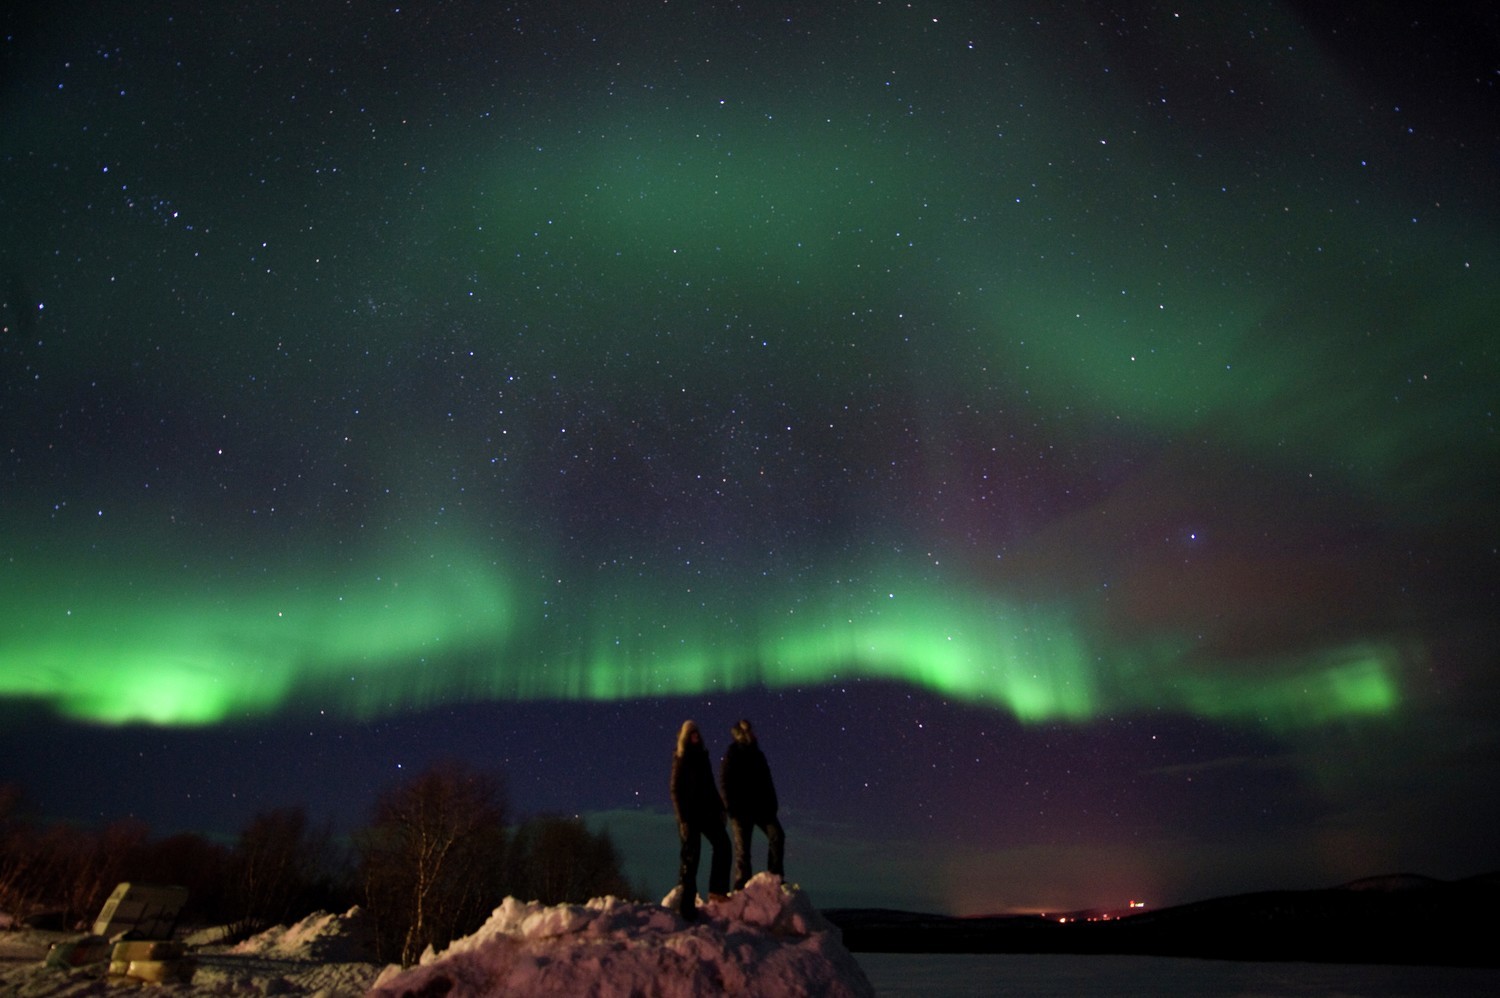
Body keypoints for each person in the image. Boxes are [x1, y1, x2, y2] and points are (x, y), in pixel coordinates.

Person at [670, 719, 731, 919]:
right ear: (686, 737)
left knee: (723, 844)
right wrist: (683, 820)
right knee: (691, 857)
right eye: (692, 733)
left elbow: (711, 785)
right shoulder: (681, 757)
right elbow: (675, 790)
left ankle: (717, 891)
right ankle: (686, 906)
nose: (696, 735)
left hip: (707, 813)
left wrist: (721, 808)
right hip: (689, 815)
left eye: (697, 732)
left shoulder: (703, 757)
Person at [719, 718, 785, 891]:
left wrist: (773, 804)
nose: (753, 732)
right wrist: (730, 807)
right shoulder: (733, 753)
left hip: (762, 808)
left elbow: (767, 781)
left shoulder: (758, 754)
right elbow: (725, 781)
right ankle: (741, 889)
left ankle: (774, 877)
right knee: (743, 852)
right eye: (749, 730)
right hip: (740, 810)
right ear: (742, 734)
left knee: (777, 836)